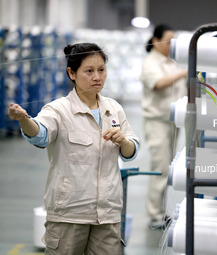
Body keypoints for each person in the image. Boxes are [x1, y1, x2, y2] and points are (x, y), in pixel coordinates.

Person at [8, 43, 139, 255]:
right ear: (72, 73)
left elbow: (131, 149)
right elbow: (40, 135)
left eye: (101, 70)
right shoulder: (58, 109)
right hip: (69, 214)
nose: (97, 77)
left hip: (107, 214)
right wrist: (24, 120)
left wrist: (124, 141)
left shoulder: (113, 109)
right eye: (89, 71)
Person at [140, 24, 187, 228]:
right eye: (168, 40)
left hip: (173, 121)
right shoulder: (151, 62)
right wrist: (184, 72)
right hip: (157, 122)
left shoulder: (171, 61)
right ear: (156, 40)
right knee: (160, 169)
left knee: (169, 169)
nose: (171, 45)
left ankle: (161, 212)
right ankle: (154, 216)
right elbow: (158, 84)